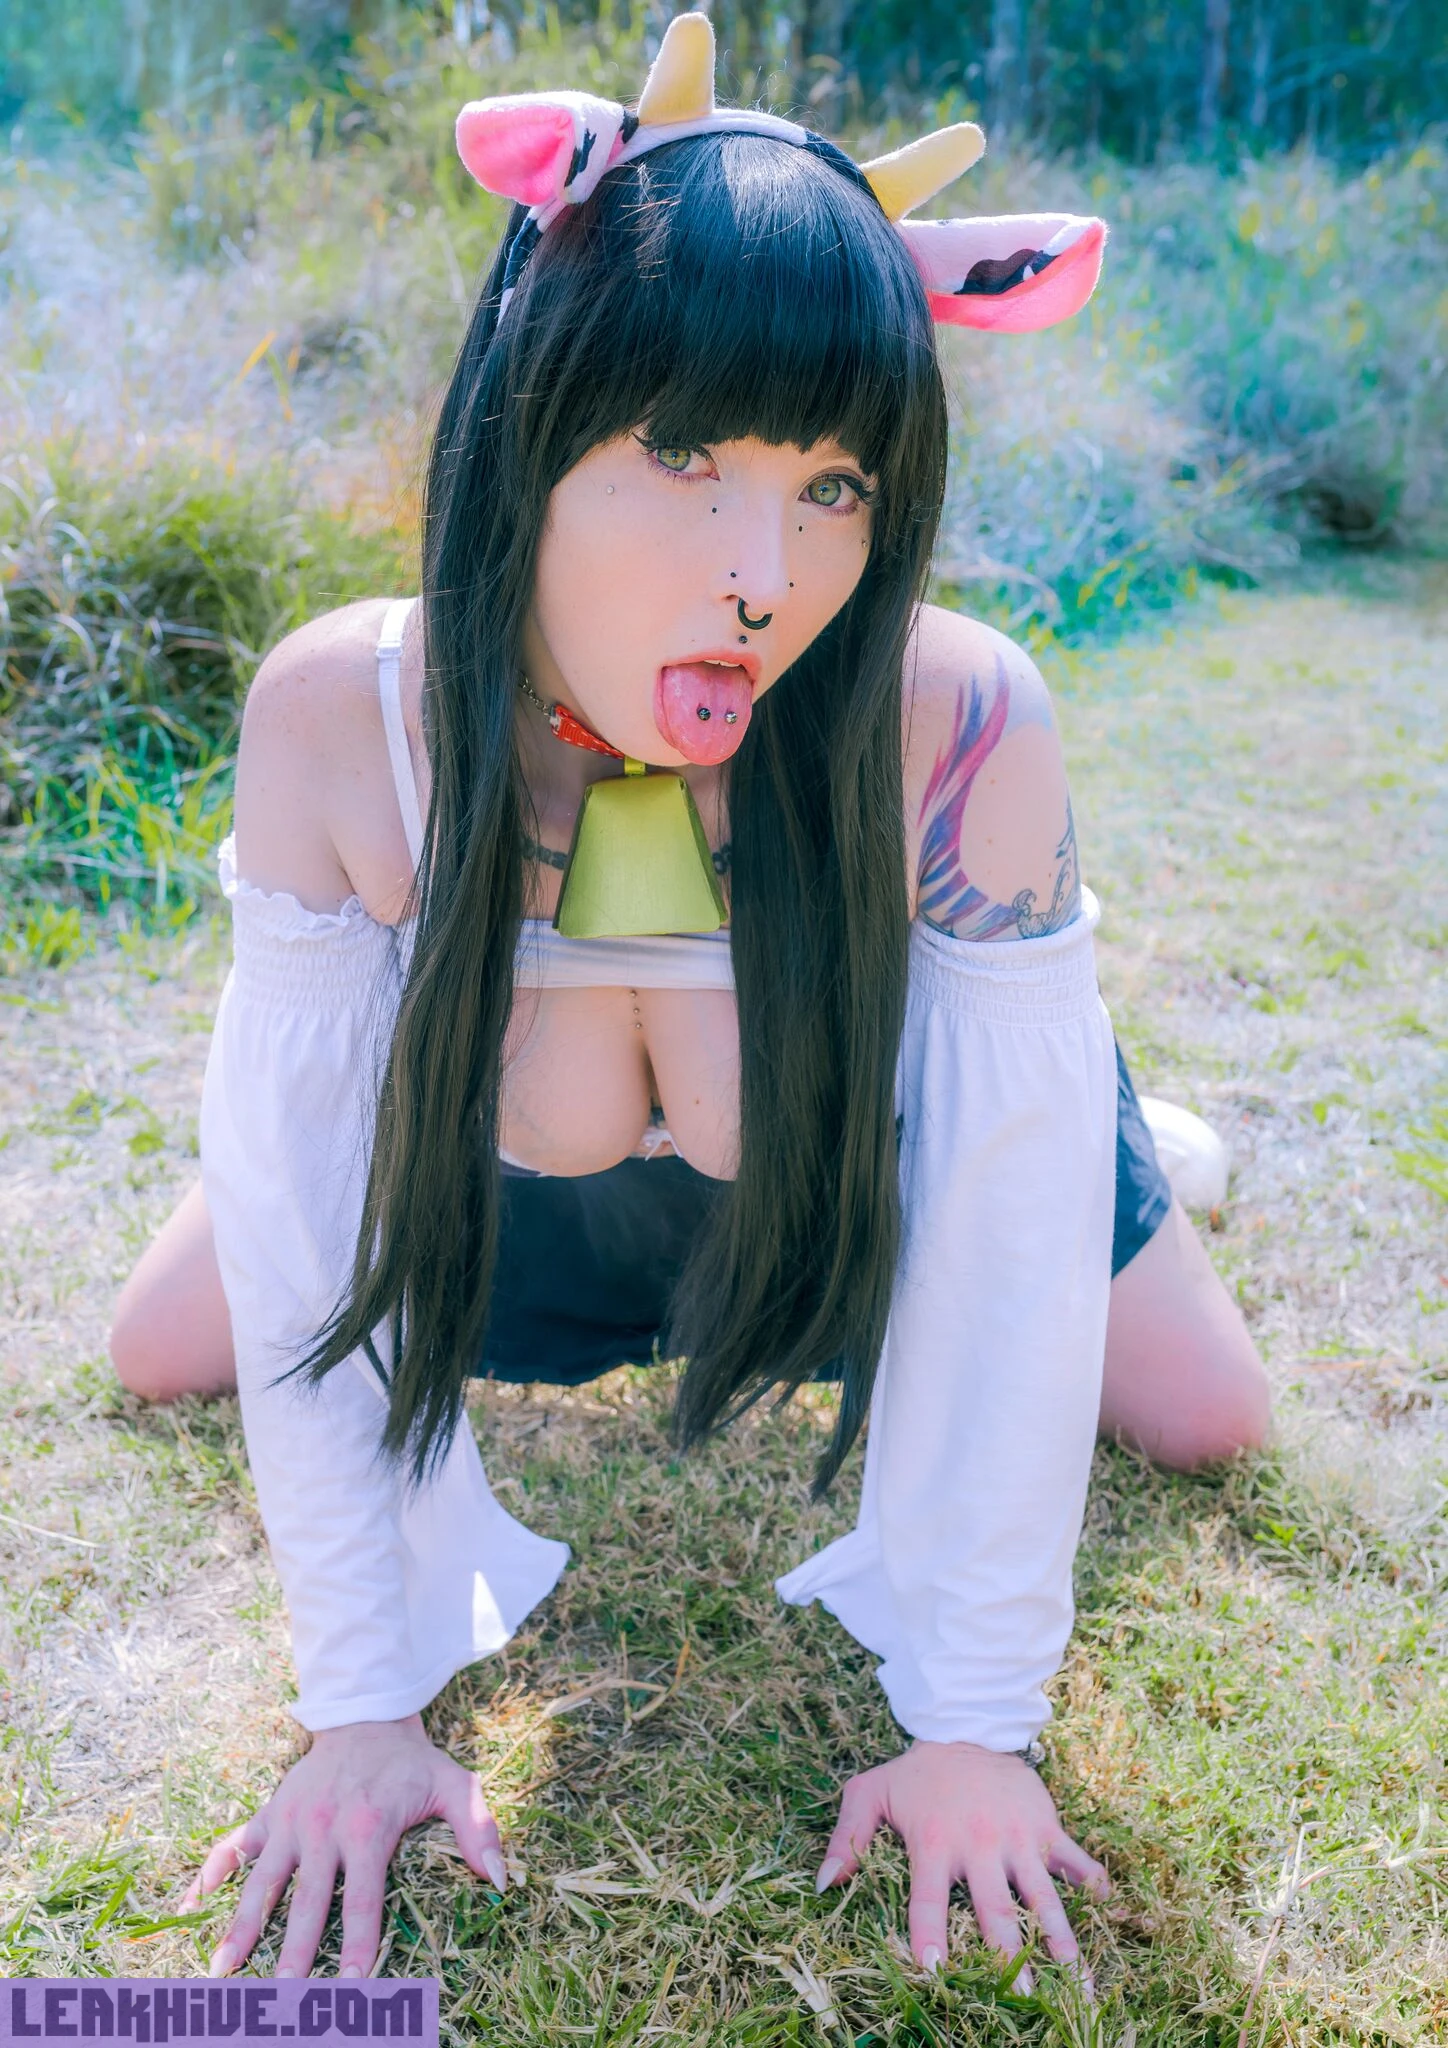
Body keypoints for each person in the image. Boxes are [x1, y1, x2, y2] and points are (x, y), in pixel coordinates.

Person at [108, 15, 1269, 1991]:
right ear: (530, 416)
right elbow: (309, 1275)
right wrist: (362, 1700)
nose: (765, 573)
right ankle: (357, 1133)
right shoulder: (343, 715)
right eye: (683, 454)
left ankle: (1128, 1129)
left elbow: (996, 1230)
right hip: (516, 1146)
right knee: (165, 1343)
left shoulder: (957, 718)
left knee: (1205, 1412)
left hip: (850, 1154)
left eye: (832, 483)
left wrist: (974, 1719)